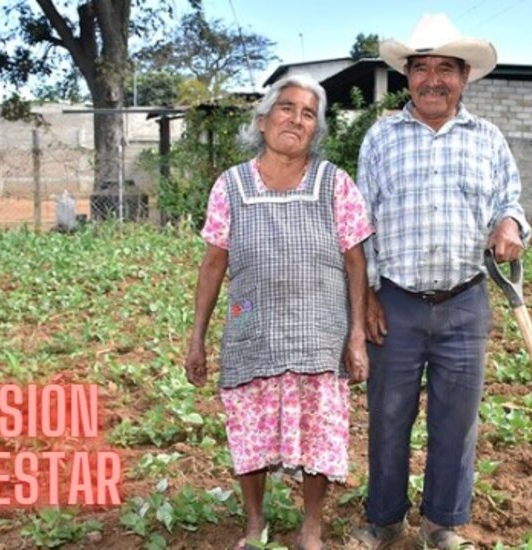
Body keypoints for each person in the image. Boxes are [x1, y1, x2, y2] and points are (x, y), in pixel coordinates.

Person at [353, 13, 531, 550]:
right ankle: (384, 520)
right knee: (388, 418)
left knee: (456, 424)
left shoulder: (489, 140)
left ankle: (441, 524)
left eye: (446, 69)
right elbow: (360, 225)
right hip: (397, 303)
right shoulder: (381, 137)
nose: (434, 79)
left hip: (464, 302)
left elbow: (512, 204)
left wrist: (509, 225)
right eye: (422, 68)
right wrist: (366, 296)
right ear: (408, 76)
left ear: (464, 77)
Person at [185, 73, 373, 550]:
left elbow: (356, 263)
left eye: (309, 114)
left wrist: (355, 336)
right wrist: (197, 337)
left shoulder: (335, 184)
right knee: (250, 436)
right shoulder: (230, 185)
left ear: (318, 129)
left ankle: (312, 525)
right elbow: (212, 264)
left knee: (319, 437)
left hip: (319, 336)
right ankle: (254, 522)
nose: (297, 119)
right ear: (263, 119)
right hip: (254, 333)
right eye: (287, 108)